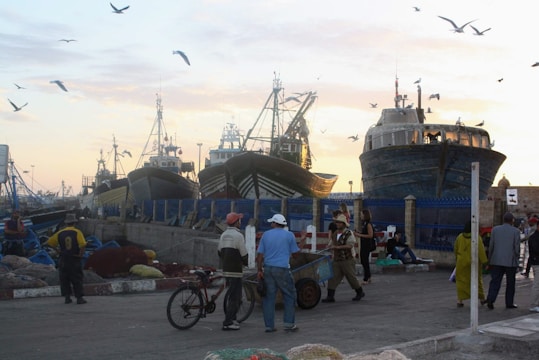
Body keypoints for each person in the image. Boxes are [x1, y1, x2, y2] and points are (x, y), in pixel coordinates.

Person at [256, 214, 305, 333]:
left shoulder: (266, 235)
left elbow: (260, 256)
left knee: (269, 298)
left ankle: (269, 326)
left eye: (271, 222)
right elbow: (295, 254)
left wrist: (259, 270)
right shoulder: (289, 235)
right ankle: (289, 324)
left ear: (274, 223)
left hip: (268, 269)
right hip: (282, 269)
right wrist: (303, 241)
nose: (271, 224)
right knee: (289, 295)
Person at [44, 213, 88, 305]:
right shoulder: (77, 232)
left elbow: (50, 242)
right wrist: (80, 254)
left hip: (63, 258)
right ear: (74, 223)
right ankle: (79, 298)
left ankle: (67, 297)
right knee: (77, 278)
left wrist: (58, 251)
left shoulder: (60, 233)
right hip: (74, 258)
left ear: (66, 223)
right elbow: (83, 244)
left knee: (64, 278)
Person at [322, 214, 365, 303]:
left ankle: (360, 292)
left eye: (339, 223)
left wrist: (337, 248)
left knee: (351, 277)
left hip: (347, 259)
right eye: (337, 222)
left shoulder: (349, 233)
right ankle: (330, 296)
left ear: (344, 224)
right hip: (337, 259)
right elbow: (331, 242)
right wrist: (329, 246)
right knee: (332, 277)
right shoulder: (335, 233)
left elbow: (350, 245)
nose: (337, 224)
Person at [218, 212, 248, 331]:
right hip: (236, 270)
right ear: (236, 222)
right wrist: (246, 262)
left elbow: (219, 251)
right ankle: (228, 322)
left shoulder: (224, 235)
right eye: (239, 220)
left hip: (226, 269)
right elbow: (244, 254)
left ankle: (233, 317)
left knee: (231, 294)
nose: (240, 222)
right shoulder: (238, 236)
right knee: (235, 297)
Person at [485, 212, 521, 310]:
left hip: (496, 260)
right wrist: (517, 258)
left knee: (495, 281)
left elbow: (491, 245)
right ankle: (509, 303)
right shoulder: (516, 231)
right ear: (512, 220)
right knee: (510, 283)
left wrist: (490, 259)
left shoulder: (495, 230)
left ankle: (490, 299)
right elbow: (516, 248)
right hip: (510, 261)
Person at [453, 221, 488, 307]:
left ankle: (460, 301)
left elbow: (455, 249)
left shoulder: (460, 237)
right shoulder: (476, 238)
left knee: (461, 282)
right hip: (473, 262)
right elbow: (481, 251)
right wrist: (485, 262)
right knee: (476, 280)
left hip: (461, 262)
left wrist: (457, 259)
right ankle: (482, 299)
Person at [354, 209, 374, 285]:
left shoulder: (368, 224)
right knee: (363, 261)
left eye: (361, 214)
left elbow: (370, 235)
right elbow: (364, 233)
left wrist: (359, 235)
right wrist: (358, 232)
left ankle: (366, 278)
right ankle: (368, 277)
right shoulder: (364, 224)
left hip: (367, 245)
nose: (360, 216)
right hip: (364, 244)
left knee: (364, 261)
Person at [527, 223, 539, 312]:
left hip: (536, 262)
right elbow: (535, 249)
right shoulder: (534, 237)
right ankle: (533, 304)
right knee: (537, 284)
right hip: (537, 263)